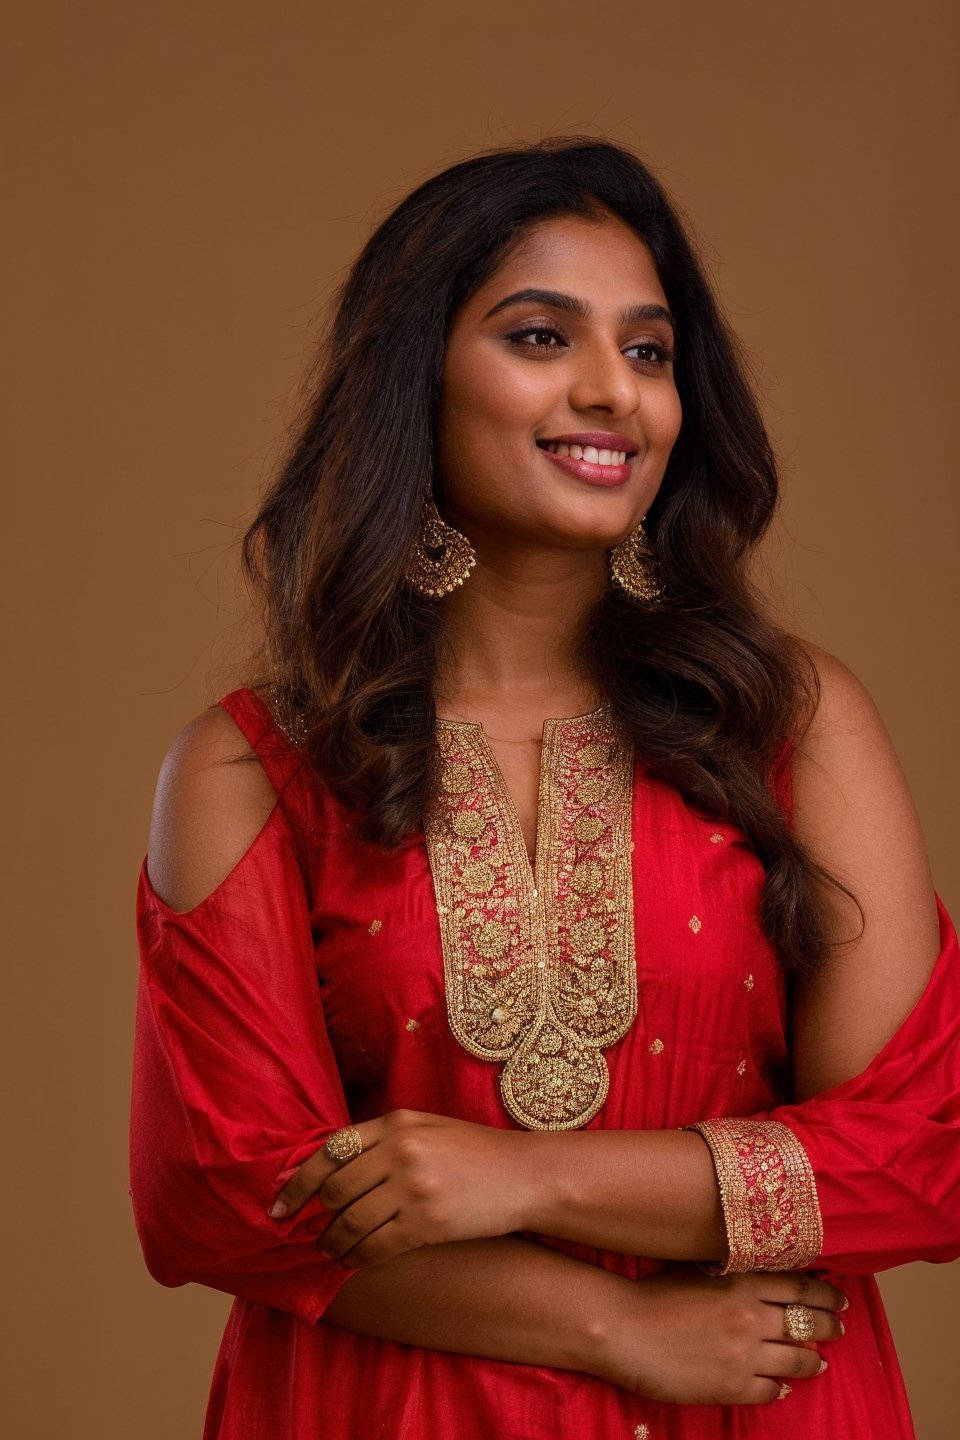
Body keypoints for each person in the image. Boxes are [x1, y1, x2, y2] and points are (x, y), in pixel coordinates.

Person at [130, 137, 960, 1439]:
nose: (611, 393)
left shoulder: (786, 722)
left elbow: (914, 1154)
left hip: (756, 1409)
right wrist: (618, 1326)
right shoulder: (259, 768)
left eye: (647, 351)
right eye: (538, 338)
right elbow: (227, 1199)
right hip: (393, 1409)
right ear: (415, 383)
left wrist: (520, 1180)